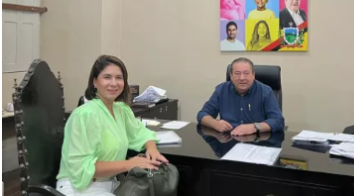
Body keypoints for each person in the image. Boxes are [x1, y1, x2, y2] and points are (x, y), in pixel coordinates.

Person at [55, 55, 168, 195]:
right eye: (107, 77)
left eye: (119, 78)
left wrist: (152, 148)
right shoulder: (85, 115)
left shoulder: (121, 109)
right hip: (81, 187)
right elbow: (83, 168)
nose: (114, 83)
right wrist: (129, 164)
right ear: (95, 82)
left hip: (110, 184)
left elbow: (140, 133)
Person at [196, 57, 284, 136]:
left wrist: (254, 127)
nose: (242, 78)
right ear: (231, 76)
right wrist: (215, 124)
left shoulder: (265, 91)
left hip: (256, 141)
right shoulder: (221, 90)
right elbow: (202, 114)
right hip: (229, 140)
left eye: (246, 73)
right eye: (237, 73)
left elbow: (278, 120)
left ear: (253, 75)